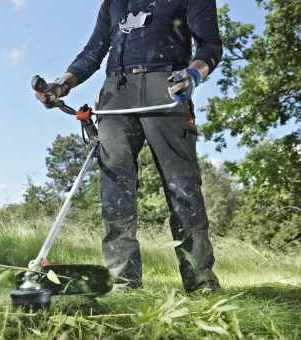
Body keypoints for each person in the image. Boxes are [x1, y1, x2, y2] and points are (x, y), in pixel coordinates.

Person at [35, 0, 222, 293]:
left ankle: (200, 282)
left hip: (168, 86)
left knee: (182, 188)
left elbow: (210, 47)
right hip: (117, 92)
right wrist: (60, 85)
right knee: (114, 189)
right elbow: (92, 53)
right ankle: (123, 282)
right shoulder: (113, 3)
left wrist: (193, 74)